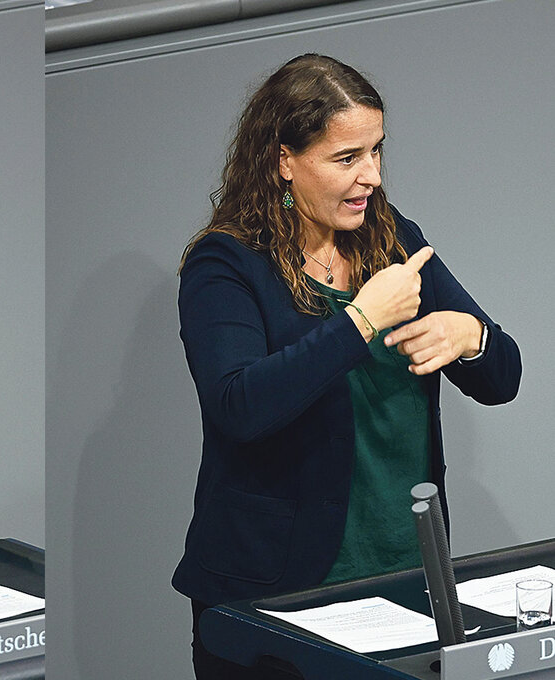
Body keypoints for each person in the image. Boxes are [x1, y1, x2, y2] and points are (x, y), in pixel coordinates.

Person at [173, 54, 521, 679]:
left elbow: (504, 378)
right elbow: (239, 406)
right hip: (272, 594)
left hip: (406, 581)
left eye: (377, 152)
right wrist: (361, 321)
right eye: (347, 158)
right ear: (284, 161)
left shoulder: (396, 240)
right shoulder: (225, 265)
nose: (372, 177)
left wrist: (471, 336)